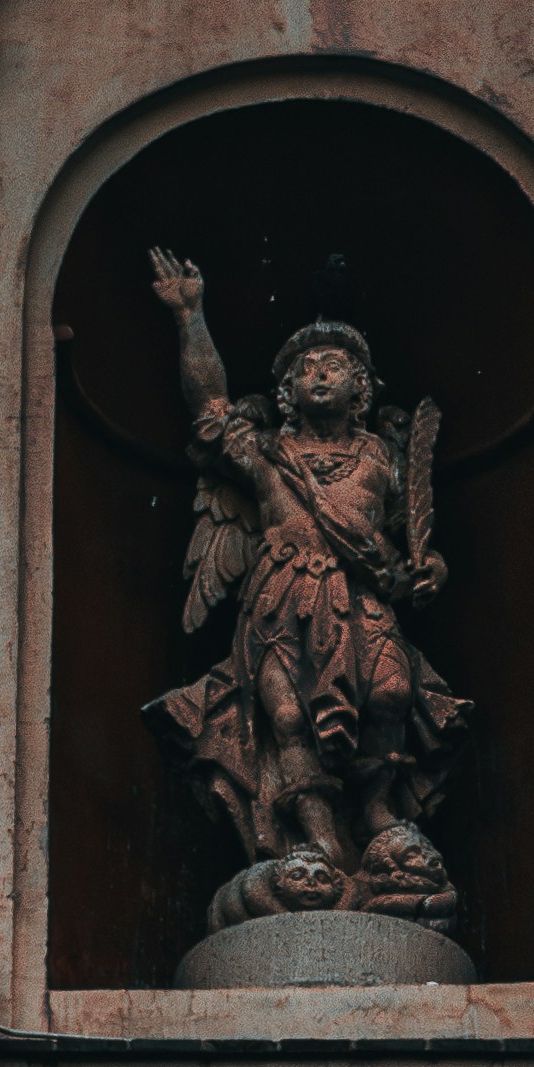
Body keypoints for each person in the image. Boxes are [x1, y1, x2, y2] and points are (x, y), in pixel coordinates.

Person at [146, 250, 468, 929]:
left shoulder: (381, 454)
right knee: (287, 717)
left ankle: (378, 810)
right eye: (307, 368)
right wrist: (190, 317)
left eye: (336, 367)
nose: (320, 376)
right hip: (280, 599)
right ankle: (317, 831)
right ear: (289, 387)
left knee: (389, 692)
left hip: (360, 597)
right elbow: (209, 408)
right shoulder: (265, 454)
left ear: (361, 386)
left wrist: (428, 570)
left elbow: (415, 537)